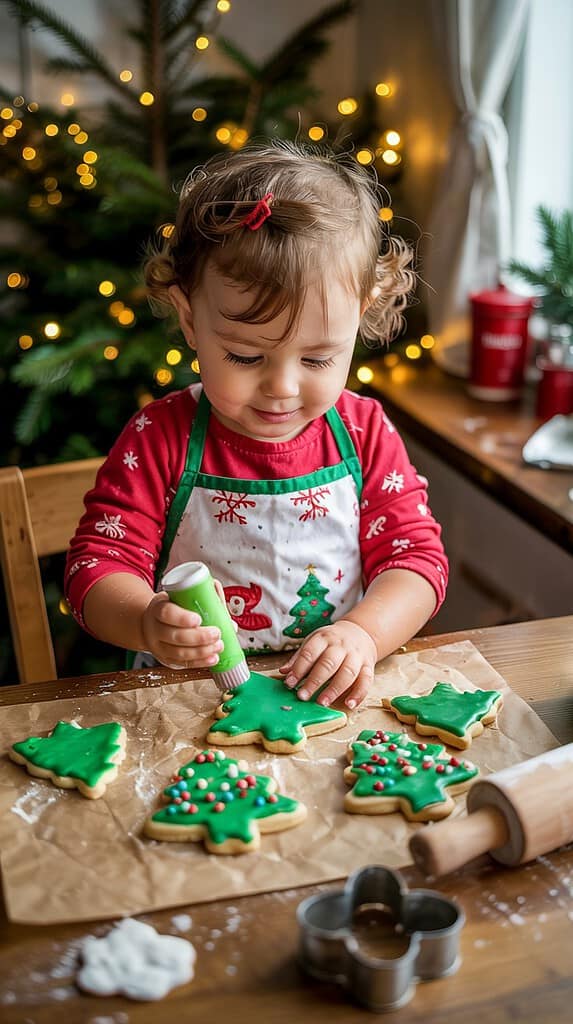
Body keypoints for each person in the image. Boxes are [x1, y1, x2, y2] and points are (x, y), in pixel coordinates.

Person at [65, 140, 448, 709]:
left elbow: (415, 561)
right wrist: (147, 622)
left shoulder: (363, 433)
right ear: (191, 319)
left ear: (362, 312)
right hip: (185, 705)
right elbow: (96, 566)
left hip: (327, 697)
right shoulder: (161, 437)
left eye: (318, 359)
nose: (283, 388)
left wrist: (363, 634)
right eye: (246, 357)